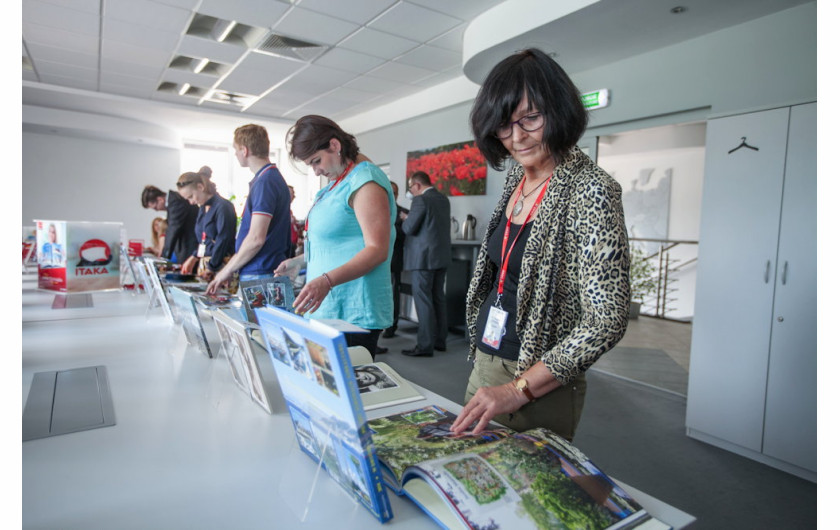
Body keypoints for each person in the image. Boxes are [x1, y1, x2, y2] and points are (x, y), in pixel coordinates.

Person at [450, 48, 630, 442]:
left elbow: (607, 320)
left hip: (533, 382)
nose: (517, 137)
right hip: (487, 361)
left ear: (559, 110)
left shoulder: (591, 190)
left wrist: (518, 390)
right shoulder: (518, 179)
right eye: (503, 124)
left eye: (530, 118)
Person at [274, 115, 395, 359]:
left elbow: (376, 249)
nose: (316, 170)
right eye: (311, 165)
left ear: (335, 145)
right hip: (329, 307)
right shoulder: (338, 181)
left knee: (344, 388)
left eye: (317, 161)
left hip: (352, 309)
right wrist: (297, 262)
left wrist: (326, 281)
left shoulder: (365, 181)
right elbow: (336, 243)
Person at [206, 124, 292, 295]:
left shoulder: (265, 182)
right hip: (263, 272)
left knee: (256, 323)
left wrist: (226, 270)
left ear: (244, 150)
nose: (236, 155)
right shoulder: (268, 178)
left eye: (236, 150)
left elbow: (255, 239)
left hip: (261, 274)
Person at [400, 171, 451, 357]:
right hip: (441, 257)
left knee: (423, 300)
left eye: (411, 187)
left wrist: (405, 218)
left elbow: (409, 228)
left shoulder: (420, 200)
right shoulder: (443, 199)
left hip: (423, 259)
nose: (411, 191)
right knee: (438, 298)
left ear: (418, 185)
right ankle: (440, 341)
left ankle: (425, 345)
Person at [175, 170, 237, 281]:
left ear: (200, 187)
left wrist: (211, 267)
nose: (191, 202)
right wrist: (194, 257)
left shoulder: (223, 207)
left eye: (191, 197)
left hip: (221, 265)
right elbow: (204, 240)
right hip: (206, 264)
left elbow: (223, 240)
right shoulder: (202, 208)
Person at [141, 184, 198, 264]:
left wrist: (163, 257)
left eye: (155, 207)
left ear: (160, 199)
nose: (157, 210)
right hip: (185, 247)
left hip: (189, 248)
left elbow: (173, 229)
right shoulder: (173, 200)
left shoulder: (176, 202)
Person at [382, 181, 409, 339]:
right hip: (375, 262)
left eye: (395, 192)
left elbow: (405, 234)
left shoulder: (404, 213)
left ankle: (391, 327)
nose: (392, 195)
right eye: (389, 191)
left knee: (393, 295)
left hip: (394, 260)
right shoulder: (375, 209)